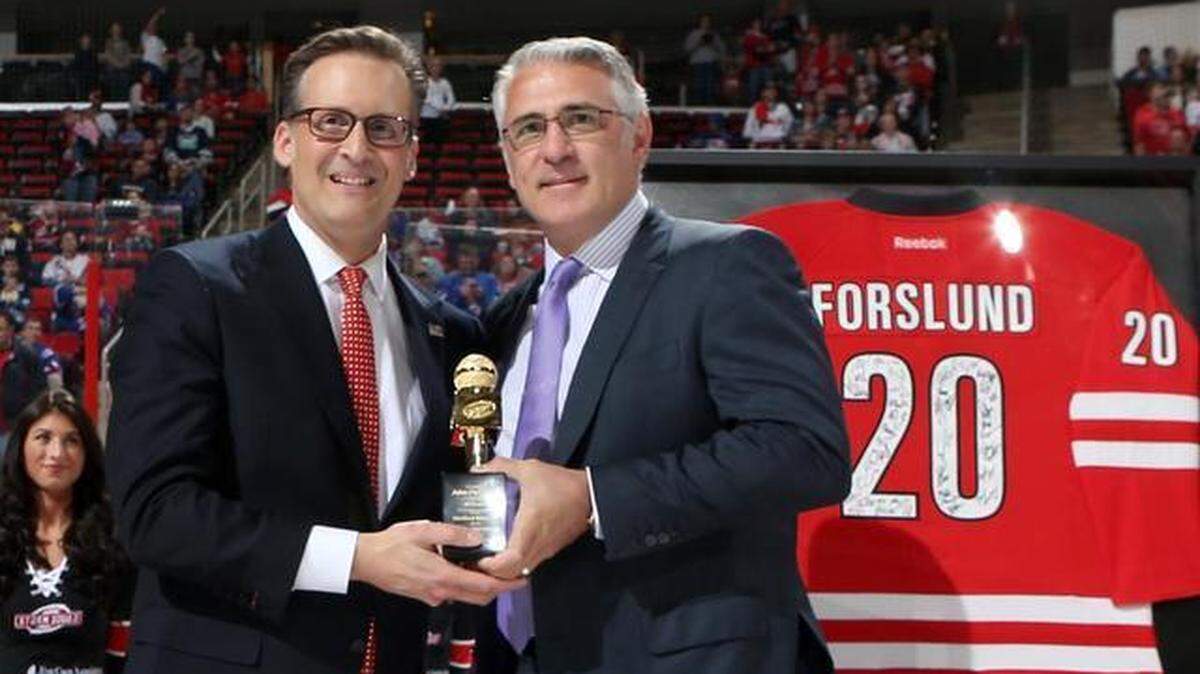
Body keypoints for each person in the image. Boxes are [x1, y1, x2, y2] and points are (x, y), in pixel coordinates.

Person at [105, 25, 521, 674]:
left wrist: (514, 529)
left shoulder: (452, 333)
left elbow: (460, 494)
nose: (357, 148)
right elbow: (154, 514)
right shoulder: (195, 288)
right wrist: (356, 557)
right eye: (331, 121)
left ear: (411, 154)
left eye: (385, 128)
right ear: (285, 141)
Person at [471, 36, 850, 674]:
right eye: (528, 129)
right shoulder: (505, 319)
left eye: (582, 119)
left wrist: (594, 500)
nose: (555, 149)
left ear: (640, 137)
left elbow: (804, 450)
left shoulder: (727, 263)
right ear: (509, 159)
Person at [0, 390, 133, 672]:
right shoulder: (3, 533)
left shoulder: (113, 537)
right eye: (43, 438)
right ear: (21, 446)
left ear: (87, 454)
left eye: (71, 440)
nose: (56, 453)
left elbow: (124, 650)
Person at [683, 14, 726, 106]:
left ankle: (709, 105)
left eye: (707, 21)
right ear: (700, 22)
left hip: (711, 63)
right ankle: (698, 105)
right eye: (704, 21)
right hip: (698, 63)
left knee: (710, 86)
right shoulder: (693, 34)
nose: (706, 23)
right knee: (699, 85)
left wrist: (713, 43)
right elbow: (687, 49)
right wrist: (699, 43)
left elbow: (722, 49)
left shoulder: (714, 34)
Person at [420, 56, 456, 146]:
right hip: (427, 117)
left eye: (438, 66)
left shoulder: (445, 82)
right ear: (429, 68)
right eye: (433, 66)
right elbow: (427, 99)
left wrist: (446, 108)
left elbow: (451, 98)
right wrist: (440, 109)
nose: (436, 69)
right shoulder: (425, 82)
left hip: (442, 117)